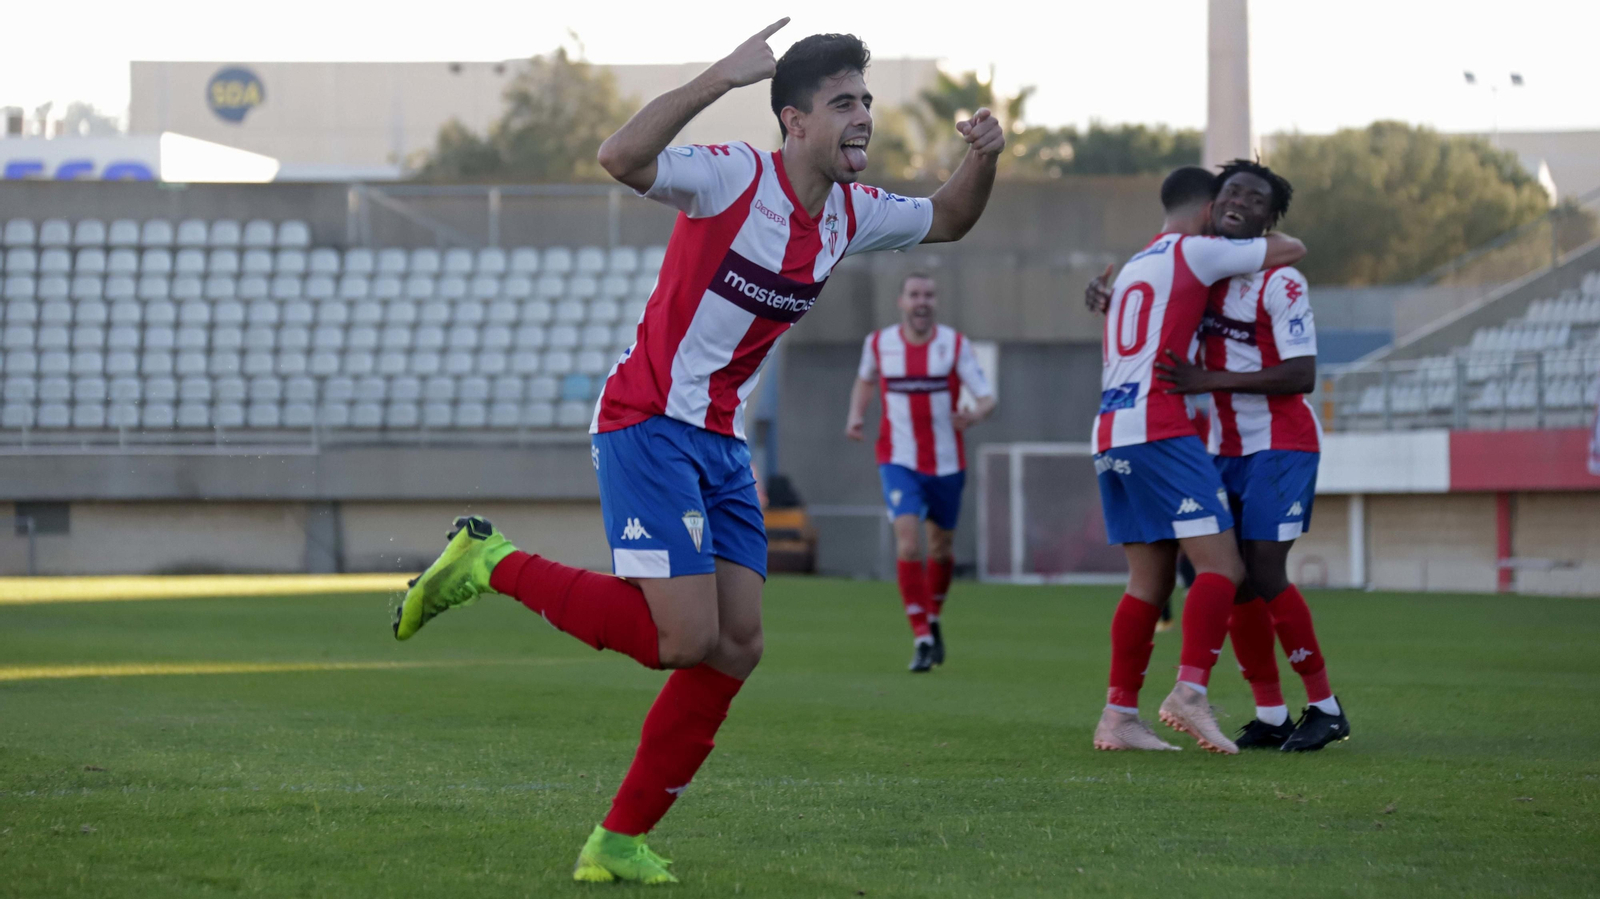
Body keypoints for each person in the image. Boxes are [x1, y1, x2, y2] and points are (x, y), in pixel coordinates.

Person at [391, 21, 1006, 885]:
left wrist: (985, 155)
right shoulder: (730, 177)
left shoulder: (853, 214)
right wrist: (718, 75)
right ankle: (488, 560)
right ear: (793, 120)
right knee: (682, 637)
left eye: (866, 100)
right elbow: (618, 155)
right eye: (843, 103)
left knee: (738, 642)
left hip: (719, 443)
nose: (862, 116)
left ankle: (615, 840)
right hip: (647, 422)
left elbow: (948, 216)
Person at [1087, 160, 1349, 753]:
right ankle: (1256, 709)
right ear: (1209, 208)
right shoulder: (1201, 265)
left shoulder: (1259, 278)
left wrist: (1202, 378)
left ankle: (1321, 705)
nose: (1238, 204)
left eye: (1254, 199)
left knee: (1242, 574)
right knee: (1226, 575)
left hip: (1264, 443)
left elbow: (1304, 372)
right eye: (1230, 194)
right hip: (1185, 436)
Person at [845, 272, 996, 671]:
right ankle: (922, 637)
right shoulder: (879, 344)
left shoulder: (954, 345)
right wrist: (856, 416)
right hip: (897, 459)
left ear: (936, 301)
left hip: (947, 463)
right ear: (901, 302)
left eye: (928, 294)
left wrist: (974, 414)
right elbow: (865, 380)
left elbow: (986, 398)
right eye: (914, 295)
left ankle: (933, 616)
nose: (921, 301)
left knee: (941, 547)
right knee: (909, 545)